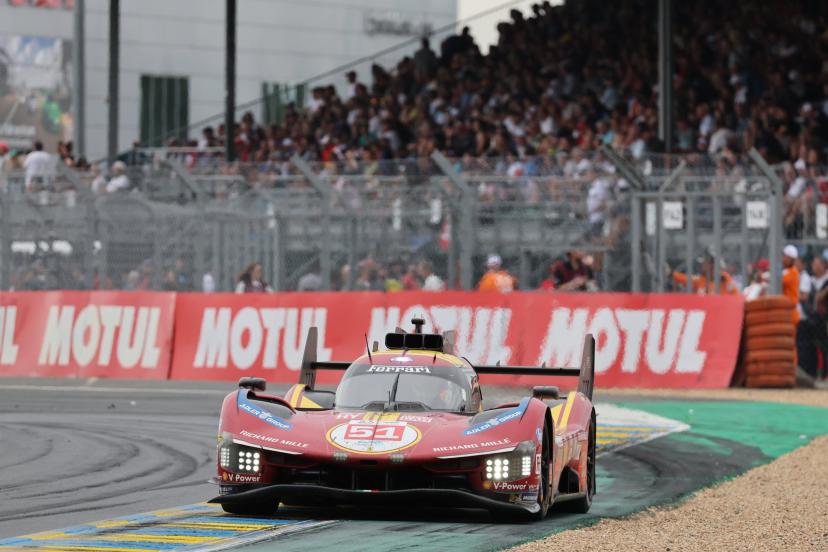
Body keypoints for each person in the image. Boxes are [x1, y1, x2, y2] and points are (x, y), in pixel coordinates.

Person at [672, 252, 739, 295]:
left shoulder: (724, 278)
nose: (702, 265)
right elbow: (679, 277)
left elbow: (736, 295)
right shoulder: (699, 279)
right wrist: (671, 273)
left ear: (712, 265)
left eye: (705, 263)